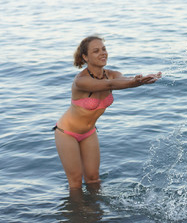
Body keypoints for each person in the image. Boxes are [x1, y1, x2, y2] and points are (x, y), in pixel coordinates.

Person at [54, 36, 161, 190]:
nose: (102, 53)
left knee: (93, 179)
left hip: (89, 133)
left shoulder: (112, 73)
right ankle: (76, 214)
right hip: (67, 133)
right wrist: (134, 82)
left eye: (104, 49)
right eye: (96, 51)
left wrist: (142, 79)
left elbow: (123, 79)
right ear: (85, 57)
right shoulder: (81, 81)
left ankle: (97, 213)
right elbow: (109, 85)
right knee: (76, 183)